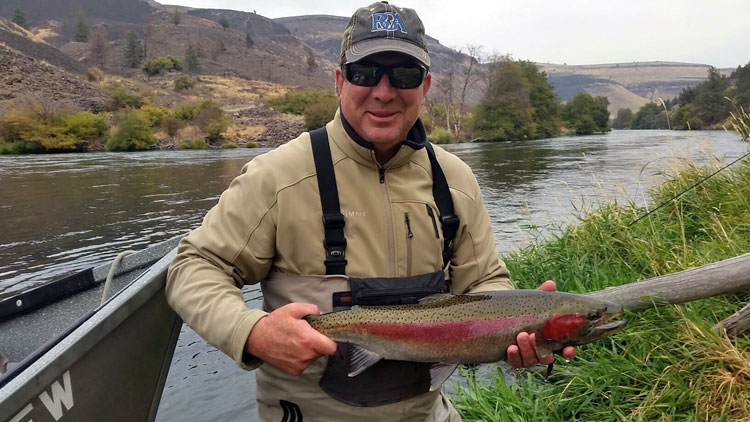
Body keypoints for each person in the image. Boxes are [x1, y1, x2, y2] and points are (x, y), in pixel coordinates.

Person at [166, 2, 574, 421]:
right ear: (340, 81)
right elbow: (195, 266)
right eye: (365, 73)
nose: (383, 91)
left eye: (403, 75)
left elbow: (486, 281)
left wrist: (516, 322)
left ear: (426, 85)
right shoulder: (278, 176)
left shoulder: (455, 180)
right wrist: (250, 332)